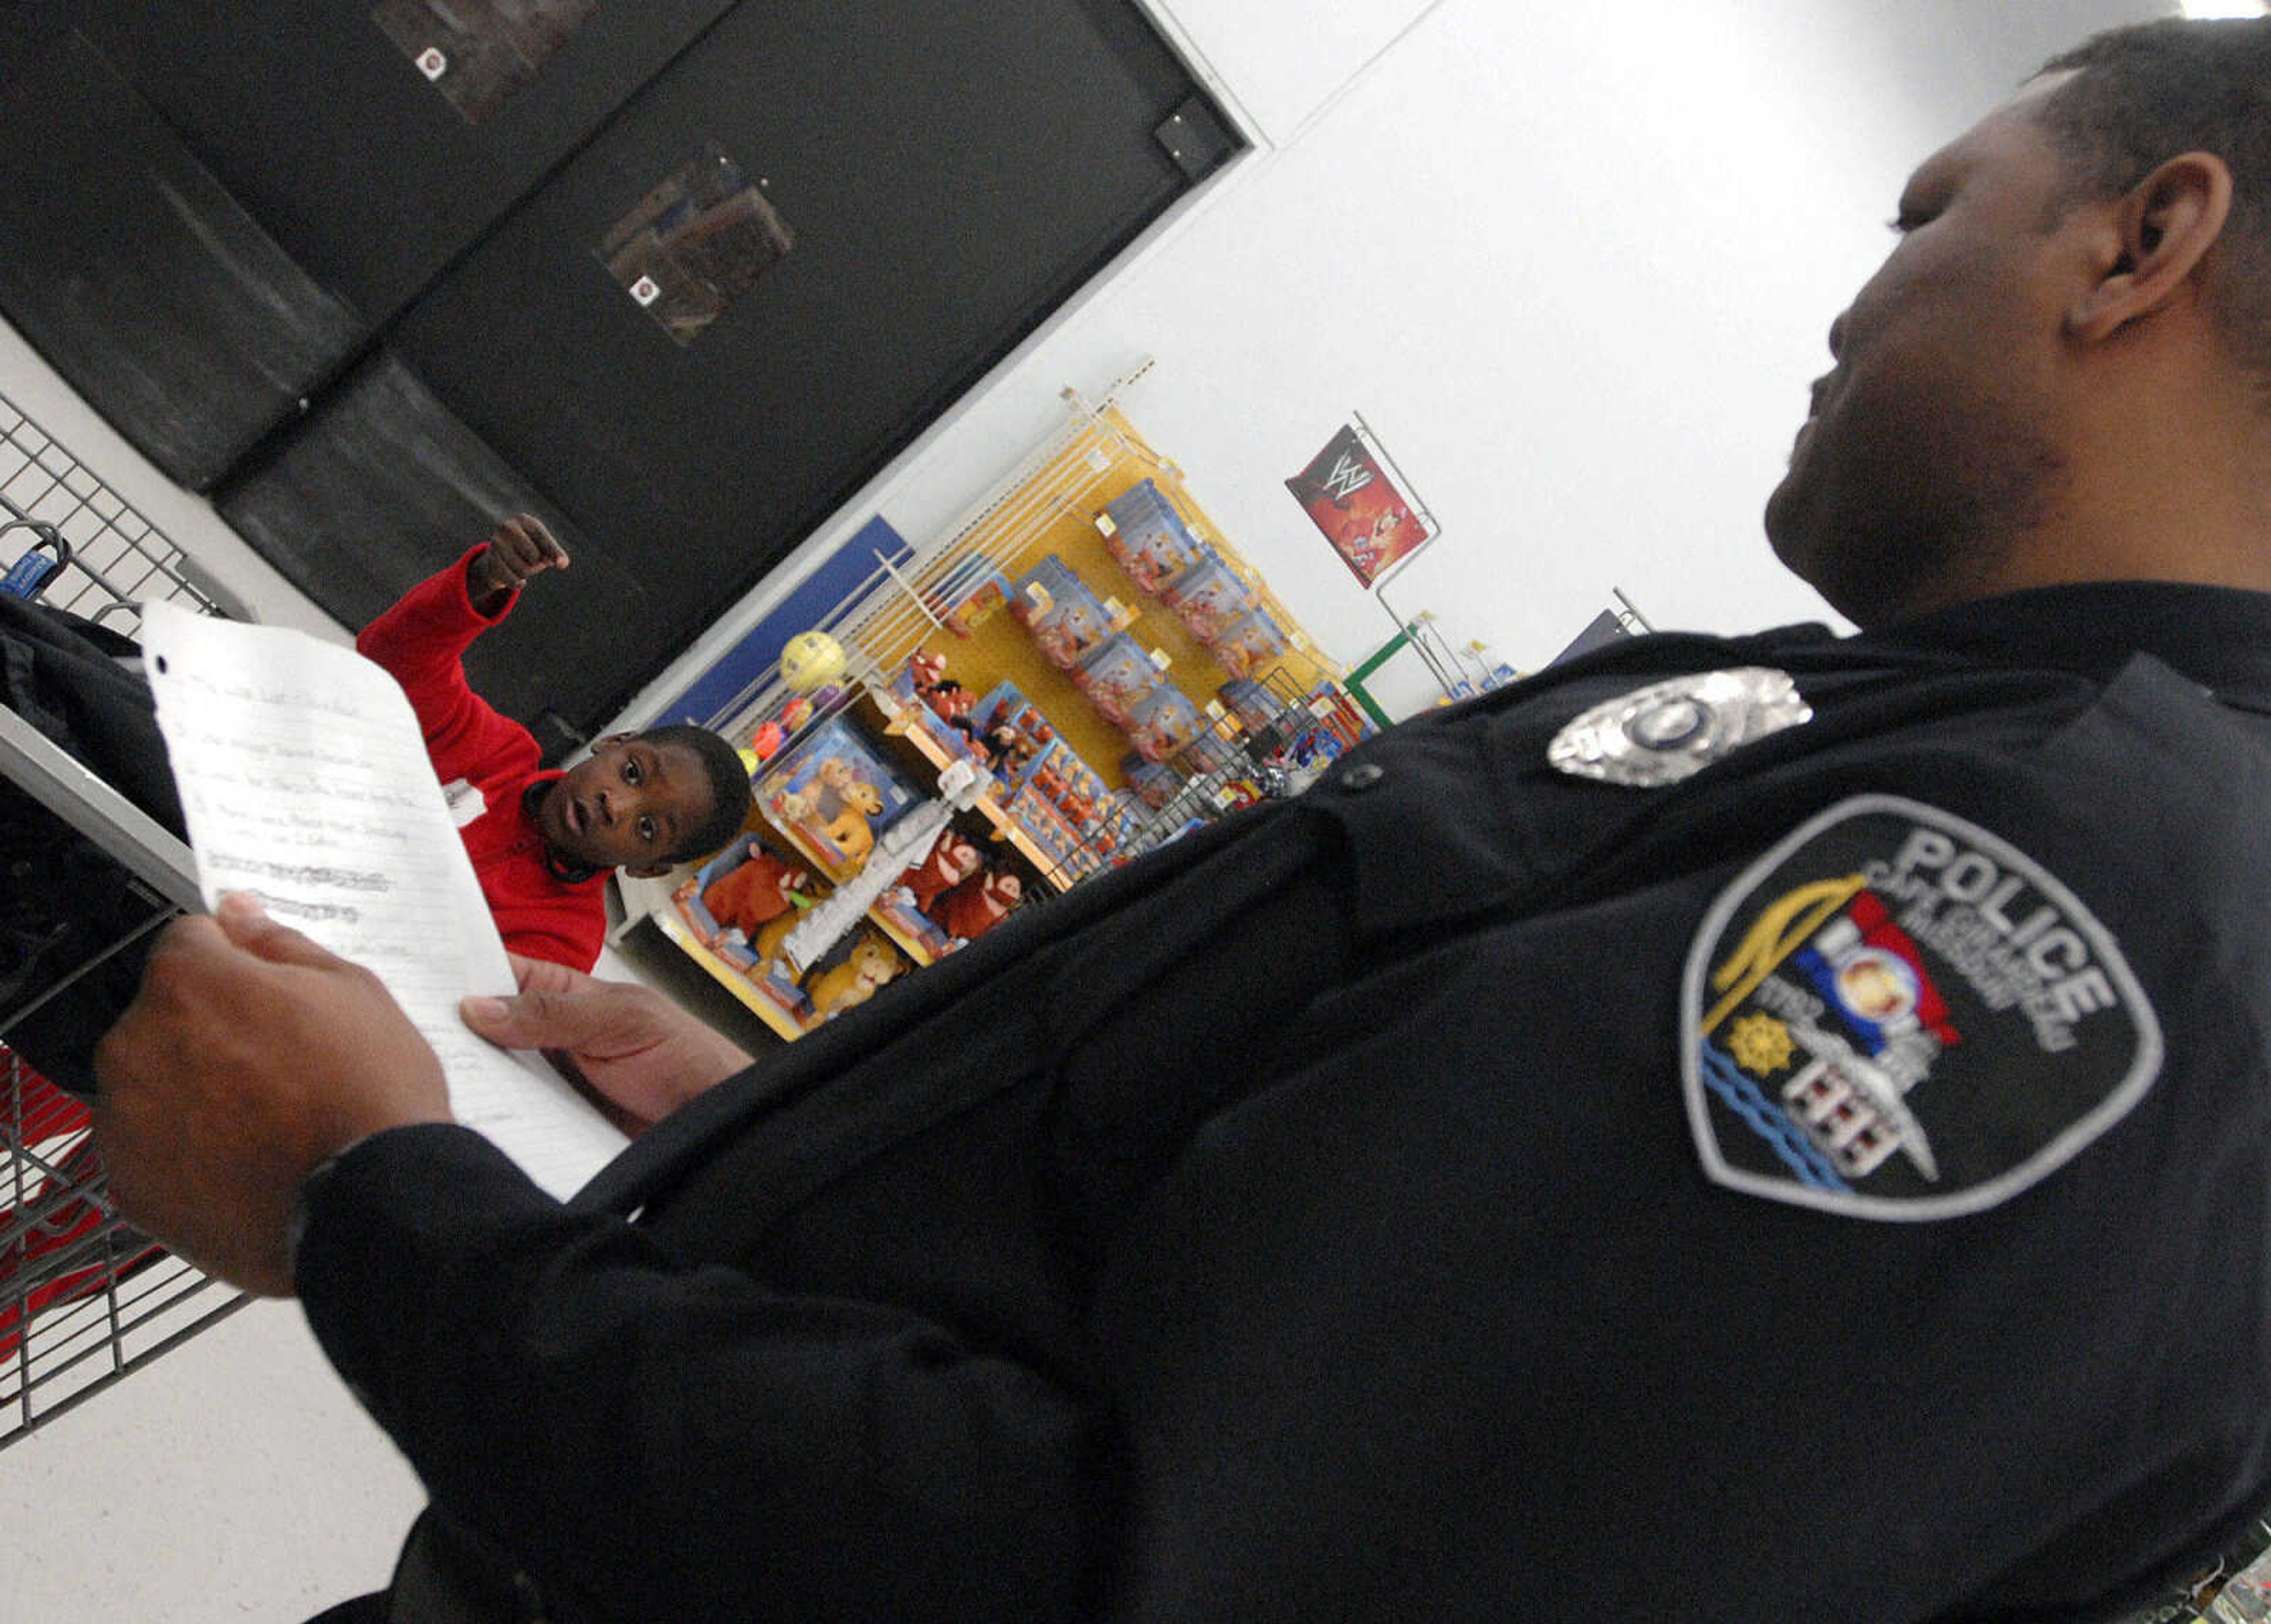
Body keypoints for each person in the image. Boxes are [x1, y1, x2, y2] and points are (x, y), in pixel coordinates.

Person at [88, 17, 2271, 1619]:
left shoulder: (2063, 903)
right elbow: (1302, 1324)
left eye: (1930, 213)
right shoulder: (1953, 750)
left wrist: (375, 1207)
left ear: (2145, 241)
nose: (1857, 294)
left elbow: (1159, 1576)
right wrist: (812, 1114)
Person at [357, 514, 753, 970]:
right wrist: (486, 580)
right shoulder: (494, 754)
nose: (616, 806)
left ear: (648, 869)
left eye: (647, 828)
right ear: (614, 741)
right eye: (632, 772)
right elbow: (392, 663)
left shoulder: (563, 943)